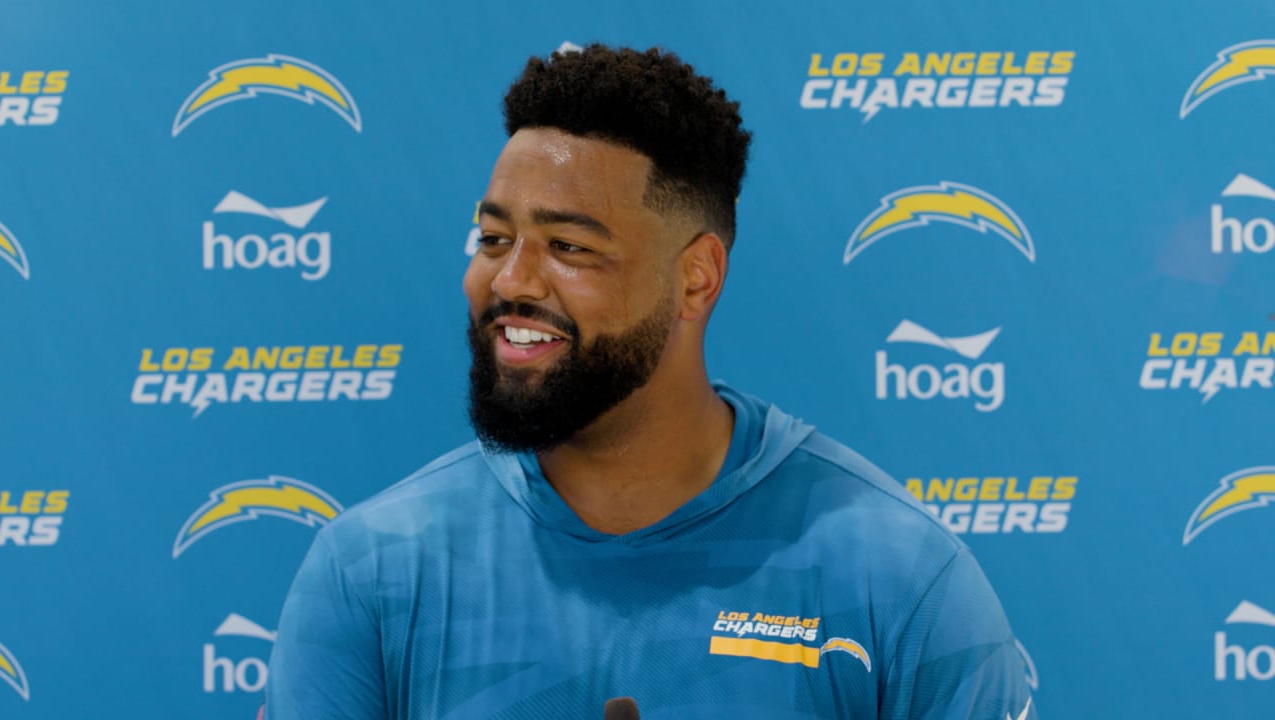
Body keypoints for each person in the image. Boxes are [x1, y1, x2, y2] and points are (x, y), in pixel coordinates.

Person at [265, 44, 1037, 720]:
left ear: (696, 280)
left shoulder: (896, 575)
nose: (510, 279)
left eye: (568, 246)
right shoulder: (371, 570)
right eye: (494, 238)